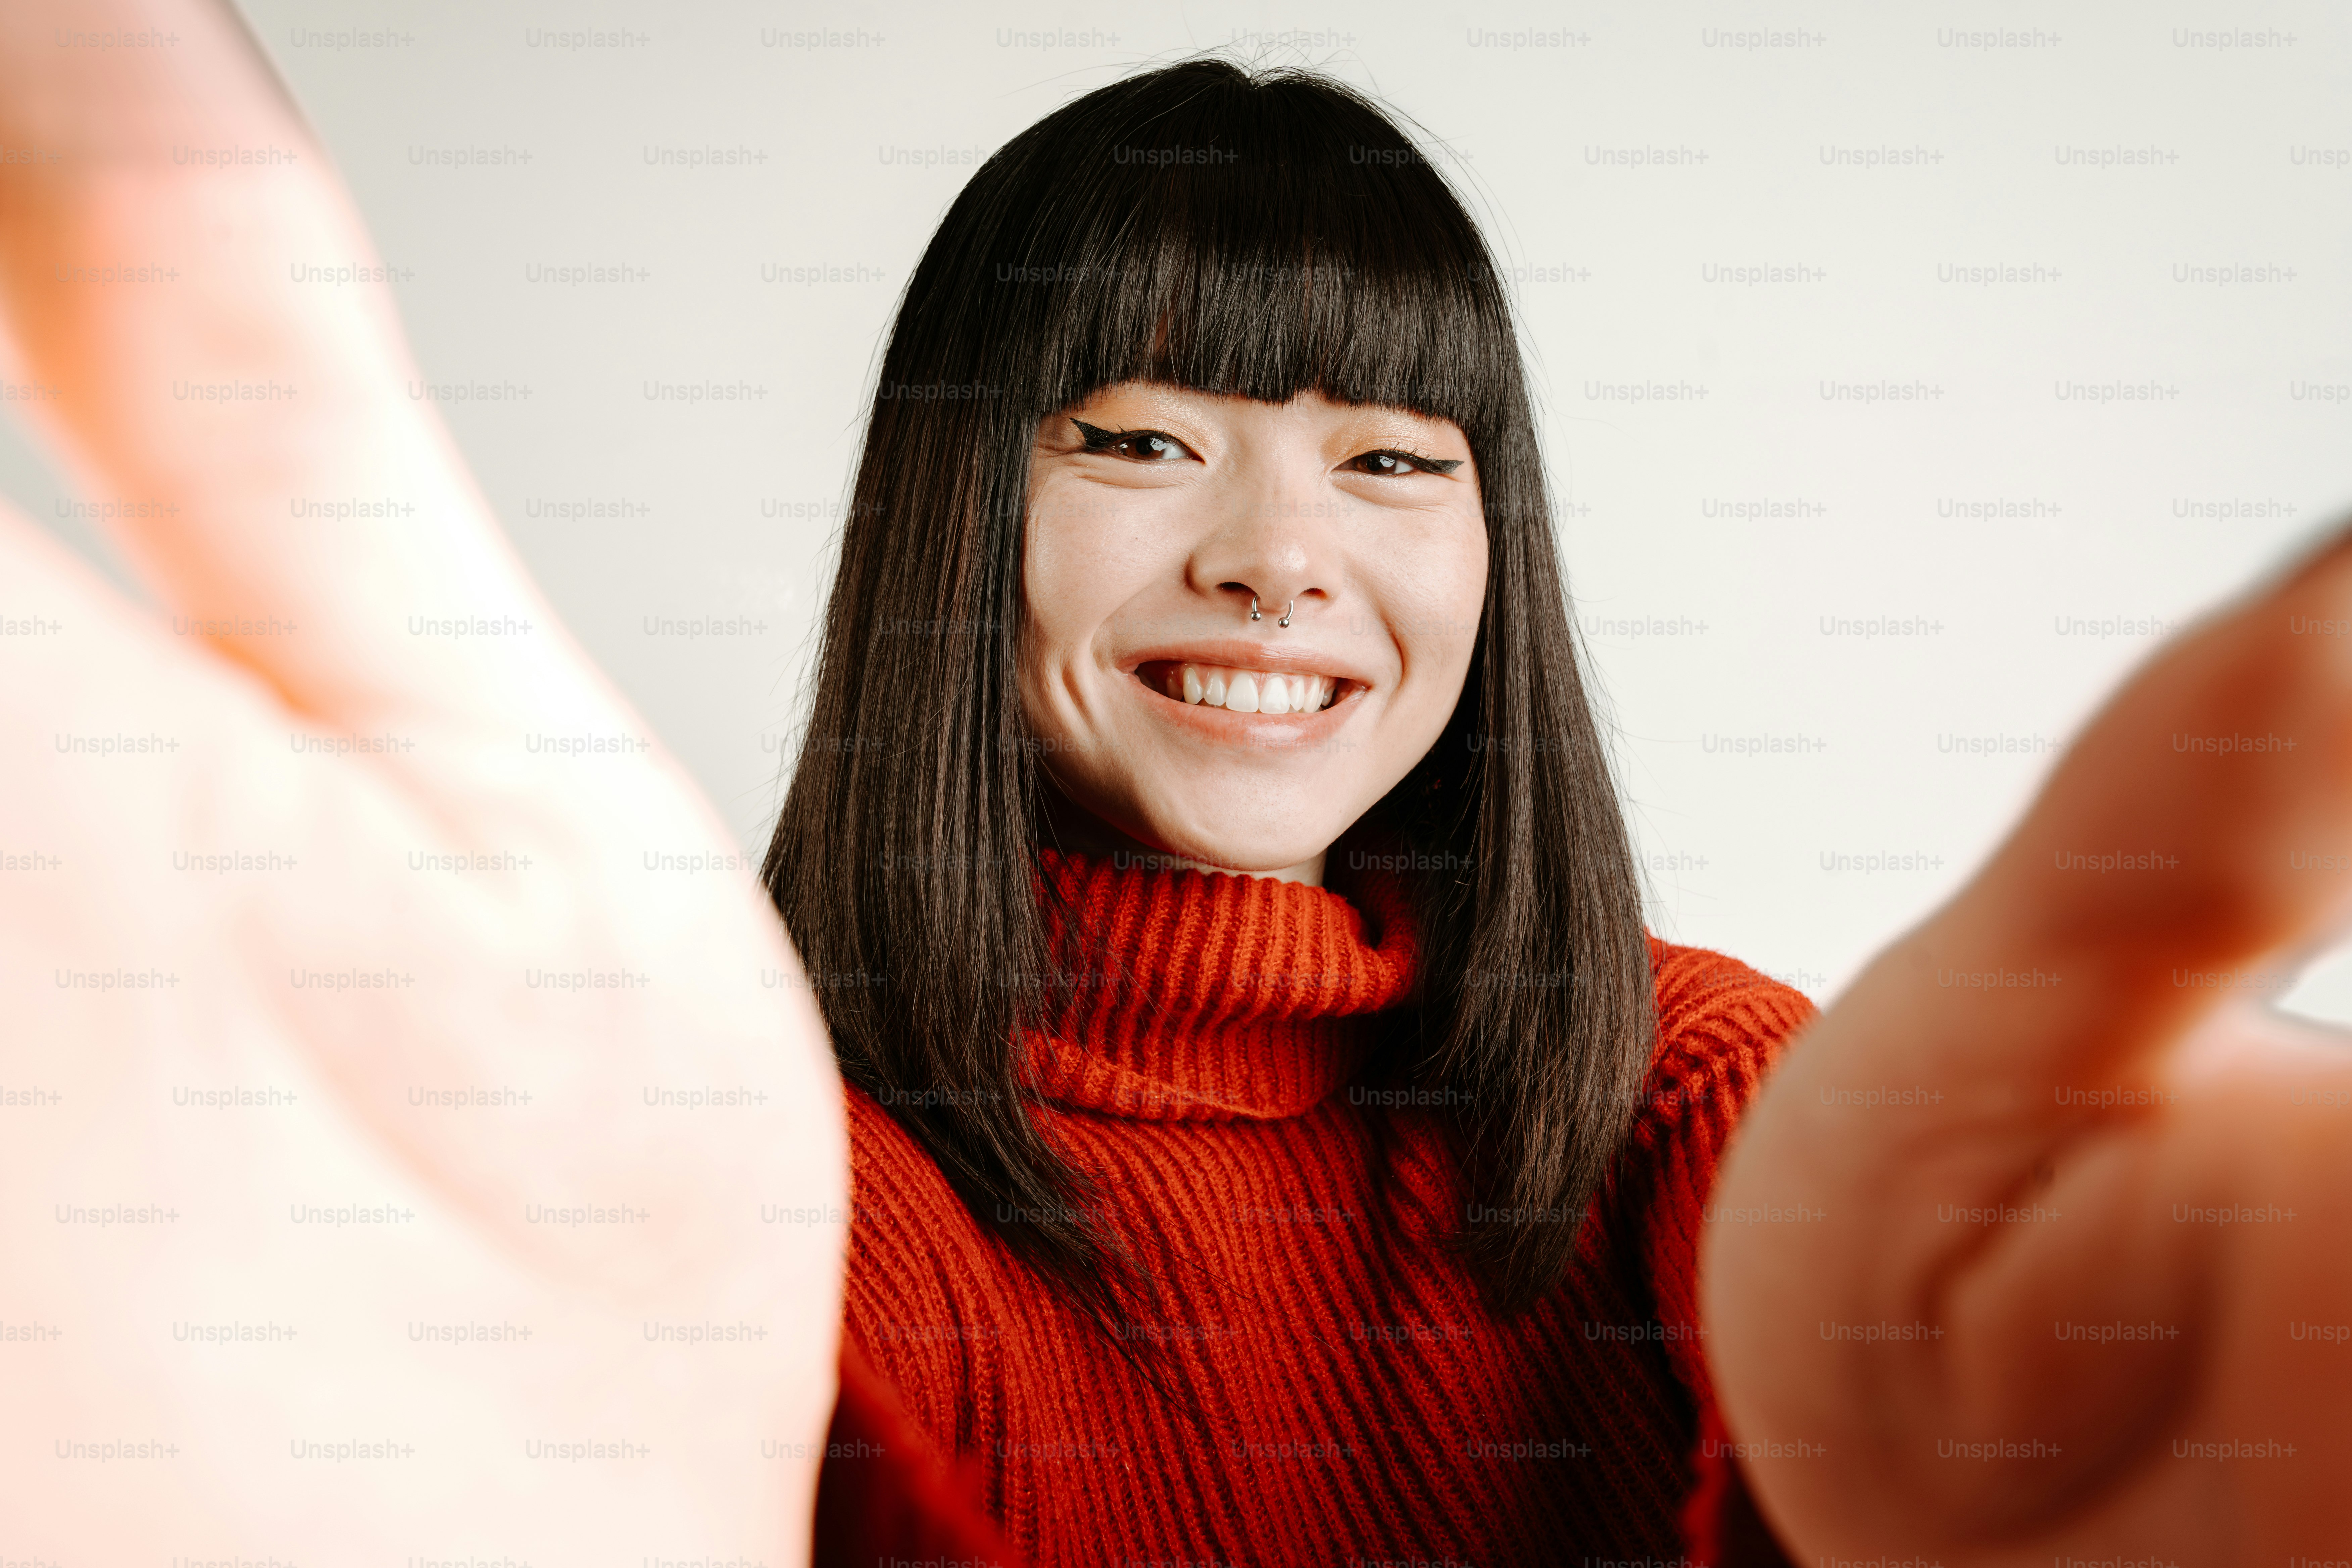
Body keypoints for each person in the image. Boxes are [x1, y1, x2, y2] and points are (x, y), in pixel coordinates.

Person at [6, 6, 2349, 1566]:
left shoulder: (1708, 1108)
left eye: (1391, 458)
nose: (1274, 558)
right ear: (953, 511)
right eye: (1133, 440)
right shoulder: (715, 1187)